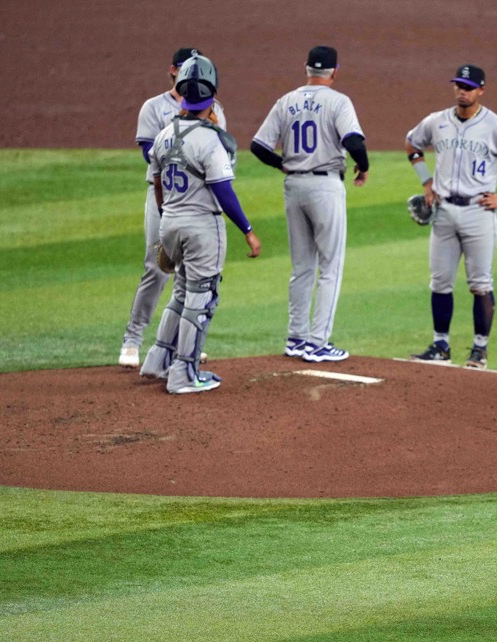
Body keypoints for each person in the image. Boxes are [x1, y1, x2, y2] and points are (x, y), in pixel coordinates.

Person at [138, 52, 261, 393]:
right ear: (212, 98)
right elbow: (223, 191)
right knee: (201, 298)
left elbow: (159, 184)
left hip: (171, 222)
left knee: (180, 292)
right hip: (202, 228)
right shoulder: (210, 140)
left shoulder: (163, 135)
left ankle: (158, 360)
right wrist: (248, 231)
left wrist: (167, 223)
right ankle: (183, 374)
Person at [405, 64, 497, 369]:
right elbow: (412, 144)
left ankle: (479, 350)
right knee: (440, 282)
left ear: (480, 91)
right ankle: (440, 346)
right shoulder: (437, 122)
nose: (462, 91)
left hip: (480, 212)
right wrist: (426, 181)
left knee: (480, 284)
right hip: (445, 211)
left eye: (468, 87)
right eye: (458, 86)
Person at [251, 45, 369, 363]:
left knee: (302, 267)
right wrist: (364, 166)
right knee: (330, 267)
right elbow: (354, 141)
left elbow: (257, 146)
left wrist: (281, 164)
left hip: (294, 187)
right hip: (325, 186)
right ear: (334, 72)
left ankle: (296, 337)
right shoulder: (338, 101)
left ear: (306, 68)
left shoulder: (285, 101)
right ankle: (318, 343)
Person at [119, 48, 227, 369]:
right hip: (162, 197)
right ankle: (133, 340)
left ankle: (179, 345)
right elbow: (150, 156)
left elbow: (219, 152)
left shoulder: (215, 108)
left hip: (197, 201)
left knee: (188, 275)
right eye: (185, 71)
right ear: (173, 72)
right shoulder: (153, 107)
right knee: (156, 269)